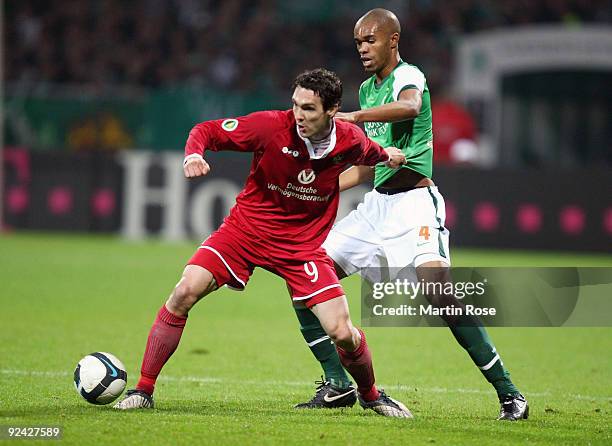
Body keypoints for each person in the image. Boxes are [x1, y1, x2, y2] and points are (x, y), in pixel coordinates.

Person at [113, 68, 412, 418]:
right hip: (245, 233)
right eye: (296, 105)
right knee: (183, 291)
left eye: (309, 109)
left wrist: (388, 155)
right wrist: (194, 153)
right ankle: (144, 390)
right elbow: (206, 130)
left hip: (302, 248)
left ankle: (372, 395)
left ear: (332, 110)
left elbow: (370, 152)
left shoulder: (349, 139)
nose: (299, 115)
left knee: (342, 332)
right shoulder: (271, 126)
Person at [292, 9, 529, 422]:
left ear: (393, 40)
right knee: (306, 273)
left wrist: (354, 117)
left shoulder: (409, 76)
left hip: (416, 202)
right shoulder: (368, 88)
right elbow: (368, 167)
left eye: (370, 40)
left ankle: (510, 394)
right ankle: (336, 384)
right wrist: (318, 188)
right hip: (377, 206)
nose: (363, 48)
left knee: (440, 294)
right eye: (358, 42)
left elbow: (410, 107)